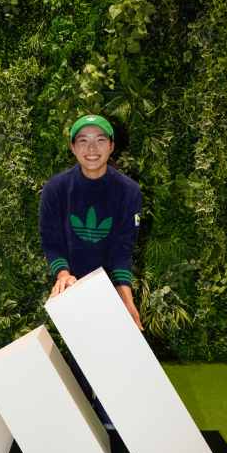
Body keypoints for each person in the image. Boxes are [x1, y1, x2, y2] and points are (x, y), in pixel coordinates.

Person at [38, 114, 144, 426]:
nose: (92, 148)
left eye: (100, 140)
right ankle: (79, 415)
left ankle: (111, 412)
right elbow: (52, 241)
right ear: (73, 147)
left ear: (112, 146)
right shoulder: (56, 189)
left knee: (117, 347)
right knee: (80, 349)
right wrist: (62, 273)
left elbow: (123, 248)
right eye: (83, 141)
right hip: (72, 284)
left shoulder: (128, 191)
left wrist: (125, 296)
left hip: (108, 282)